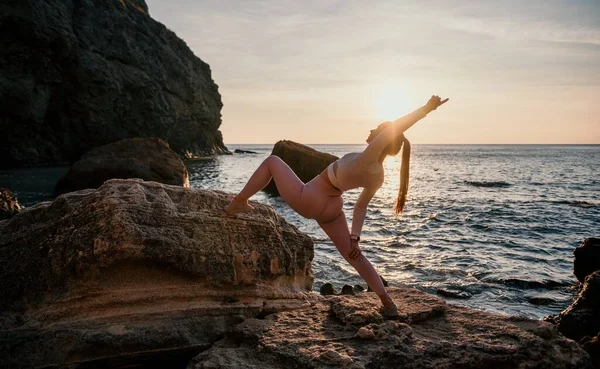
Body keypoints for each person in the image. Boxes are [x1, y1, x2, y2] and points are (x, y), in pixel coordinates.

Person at [226, 95, 449, 317]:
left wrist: (426, 109)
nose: (372, 130)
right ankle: (388, 303)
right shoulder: (378, 175)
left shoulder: (367, 158)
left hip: (311, 197)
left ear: (383, 137)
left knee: (272, 162)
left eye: (378, 129)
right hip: (332, 209)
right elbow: (360, 207)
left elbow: (399, 125)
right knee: (355, 257)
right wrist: (355, 238)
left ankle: (238, 202)